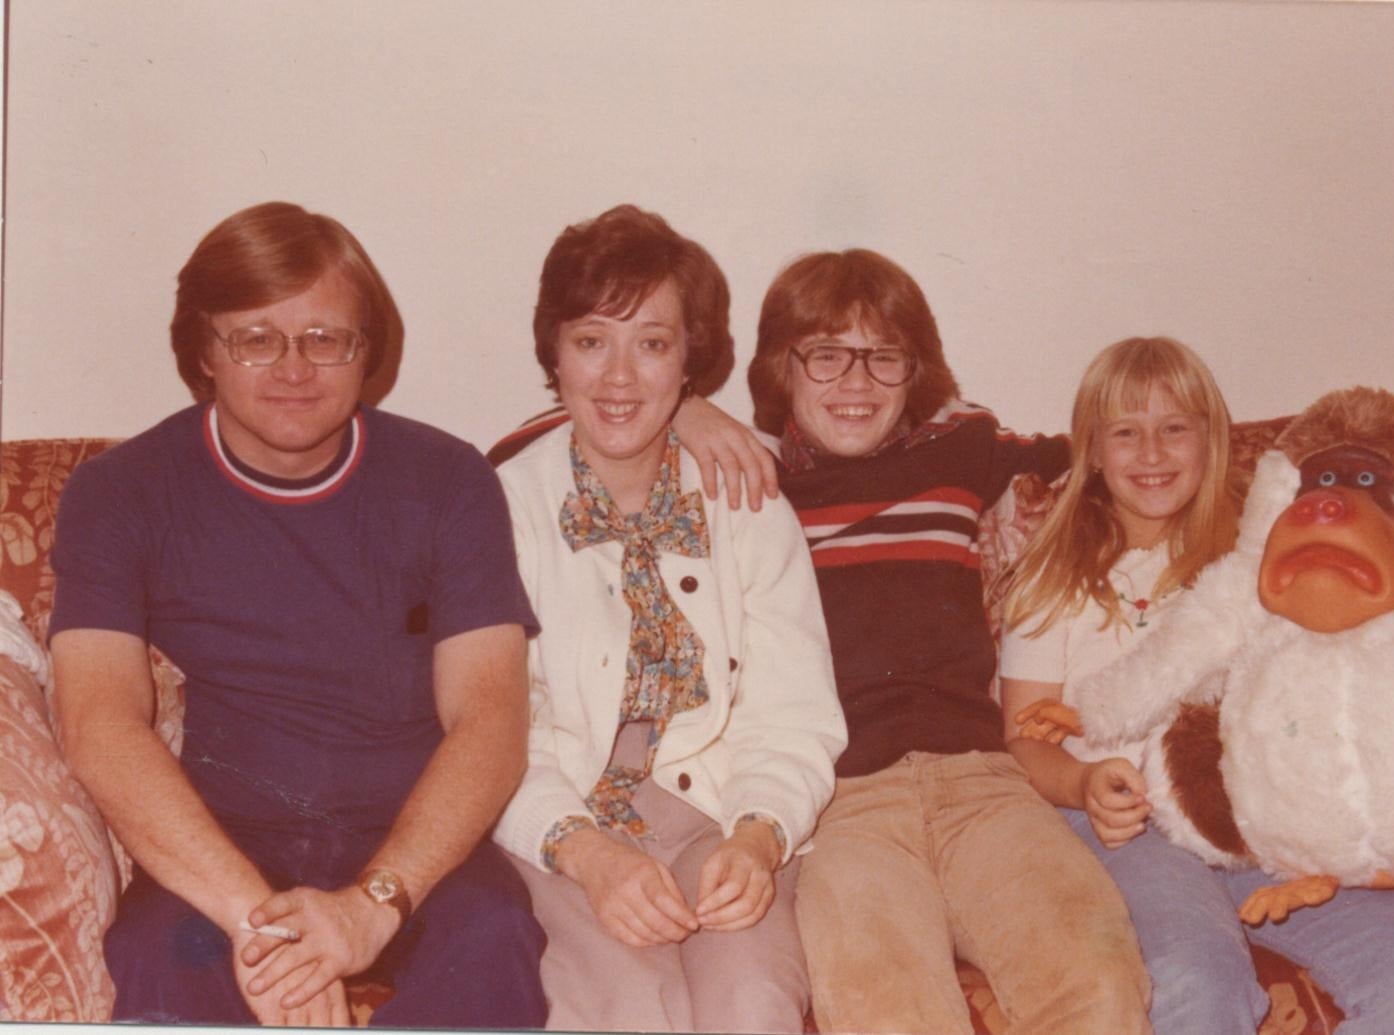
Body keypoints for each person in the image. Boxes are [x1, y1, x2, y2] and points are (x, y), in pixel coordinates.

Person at [49, 201, 548, 1027]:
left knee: (495, 939)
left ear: (366, 349)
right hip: (219, 853)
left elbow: (490, 722)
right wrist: (264, 930)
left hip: (413, 851)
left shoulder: (448, 480)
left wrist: (374, 903)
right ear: (203, 350)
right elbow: (98, 723)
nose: (293, 368)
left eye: (325, 338)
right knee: (153, 959)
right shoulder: (118, 492)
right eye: (255, 338)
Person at [667, 248, 1153, 1034]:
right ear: (781, 368)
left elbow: (1118, 455)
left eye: (882, 357)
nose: (855, 383)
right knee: (885, 1008)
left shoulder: (959, 448)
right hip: (840, 804)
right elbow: (548, 441)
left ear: (913, 370)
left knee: (1096, 982)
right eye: (826, 355)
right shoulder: (749, 480)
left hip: (984, 785)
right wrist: (682, 409)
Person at [999, 336, 1394, 1034]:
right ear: (1092, 450)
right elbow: (1021, 739)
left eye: (1174, 428)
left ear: (1211, 440)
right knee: (1197, 975)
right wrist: (1082, 783)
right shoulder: (1055, 574)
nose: (1151, 452)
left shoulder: (1259, 548)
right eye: (1125, 432)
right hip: (1127, 827)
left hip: (1262, 817)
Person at [492, 205, 847, 1033]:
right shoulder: (499, 508)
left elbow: (791, 715)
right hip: (562, 819)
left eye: (651, 343)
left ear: (690, 359)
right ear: (554, 352)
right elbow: (492, 734)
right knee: (622, 1010)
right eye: (591, 340)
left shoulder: (745, 499)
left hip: (718, 812)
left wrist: (758, 837)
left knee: (751, 1005)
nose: (619, 377)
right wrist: (587, 853)